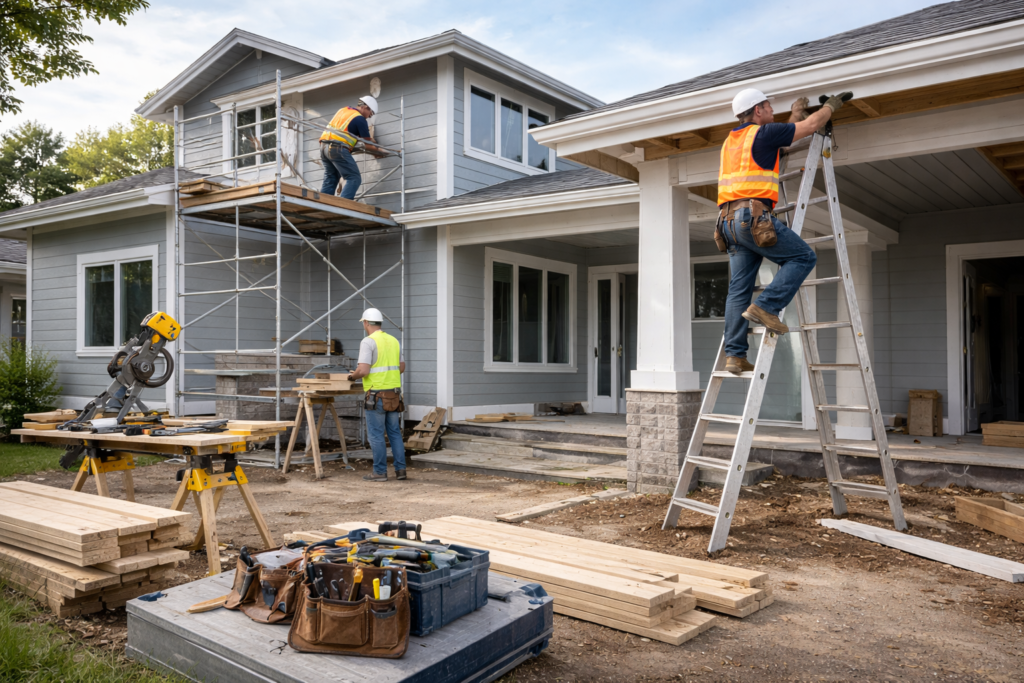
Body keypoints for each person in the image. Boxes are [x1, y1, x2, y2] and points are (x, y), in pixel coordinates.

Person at [717, 88, 847, 374]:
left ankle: (735, 355)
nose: (772, 111)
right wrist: (831, 106)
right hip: (751, 217)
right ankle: (766, 306)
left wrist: (795, 113)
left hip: (727, 223)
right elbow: (812, 126)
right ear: (757, 110)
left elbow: (780, 142)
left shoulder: (732, 141)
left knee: (738, 290)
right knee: (803, 257)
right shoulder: (764, 133)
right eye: (768, 106)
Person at [348, 308, 406, 482]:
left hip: (376, 396)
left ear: (366, 323)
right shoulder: (394, 340)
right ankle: (401, 471)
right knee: (394, 433)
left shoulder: (368, 342)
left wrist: (352, 376)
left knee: (376, 435)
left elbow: (363, 371)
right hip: (393, 396)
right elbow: (401, 367)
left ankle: (380, 472)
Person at [320, 96, 383, 200]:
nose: (369, 117)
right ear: (365, 107)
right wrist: (379, 151)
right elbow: (367, 144)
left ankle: (322, 203)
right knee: (354, 177)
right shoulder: (360, 119)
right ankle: (342, 206)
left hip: (324, 147)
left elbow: (348, 130)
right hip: (337, 148)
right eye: (370, 113)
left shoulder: (343, 110)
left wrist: (370, 140)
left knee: (331, 177)